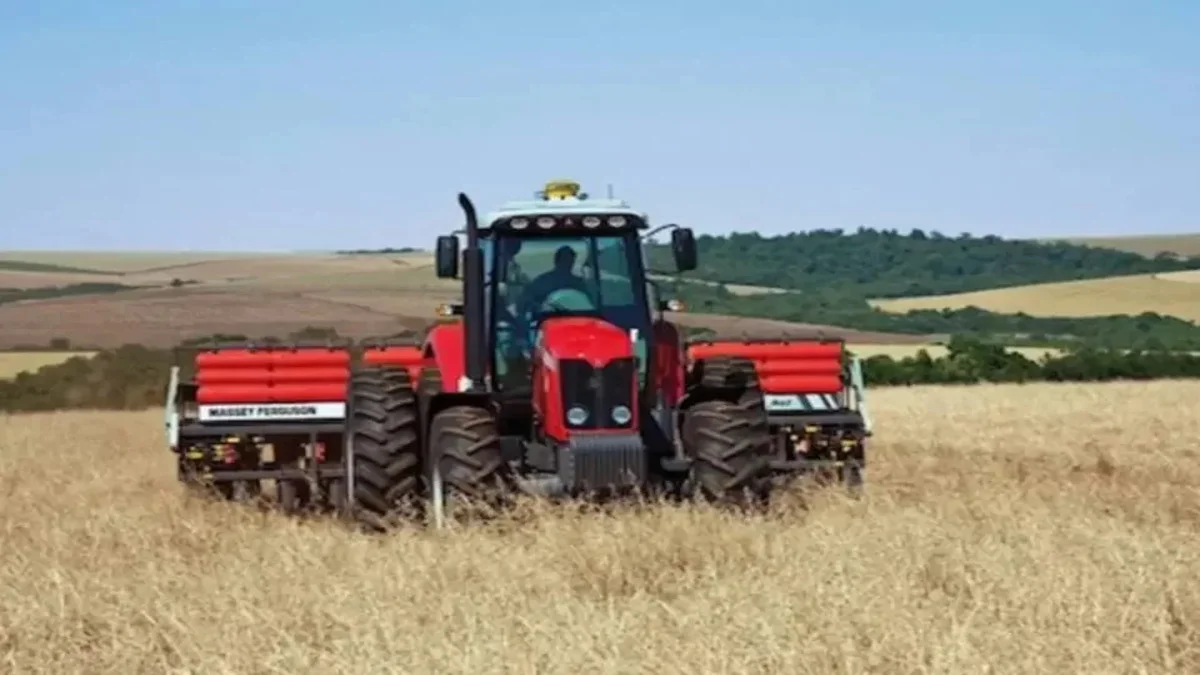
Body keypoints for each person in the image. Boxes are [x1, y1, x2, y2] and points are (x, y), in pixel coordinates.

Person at [516, 245, 590, 316]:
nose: (567, 264)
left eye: (570, 261)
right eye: (565, 260)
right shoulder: (542, 282)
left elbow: (590, 304)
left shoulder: (578, 284)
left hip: (575, 320)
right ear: (556, 261)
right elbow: (523, 303)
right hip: (546, 319)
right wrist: (540, 307)